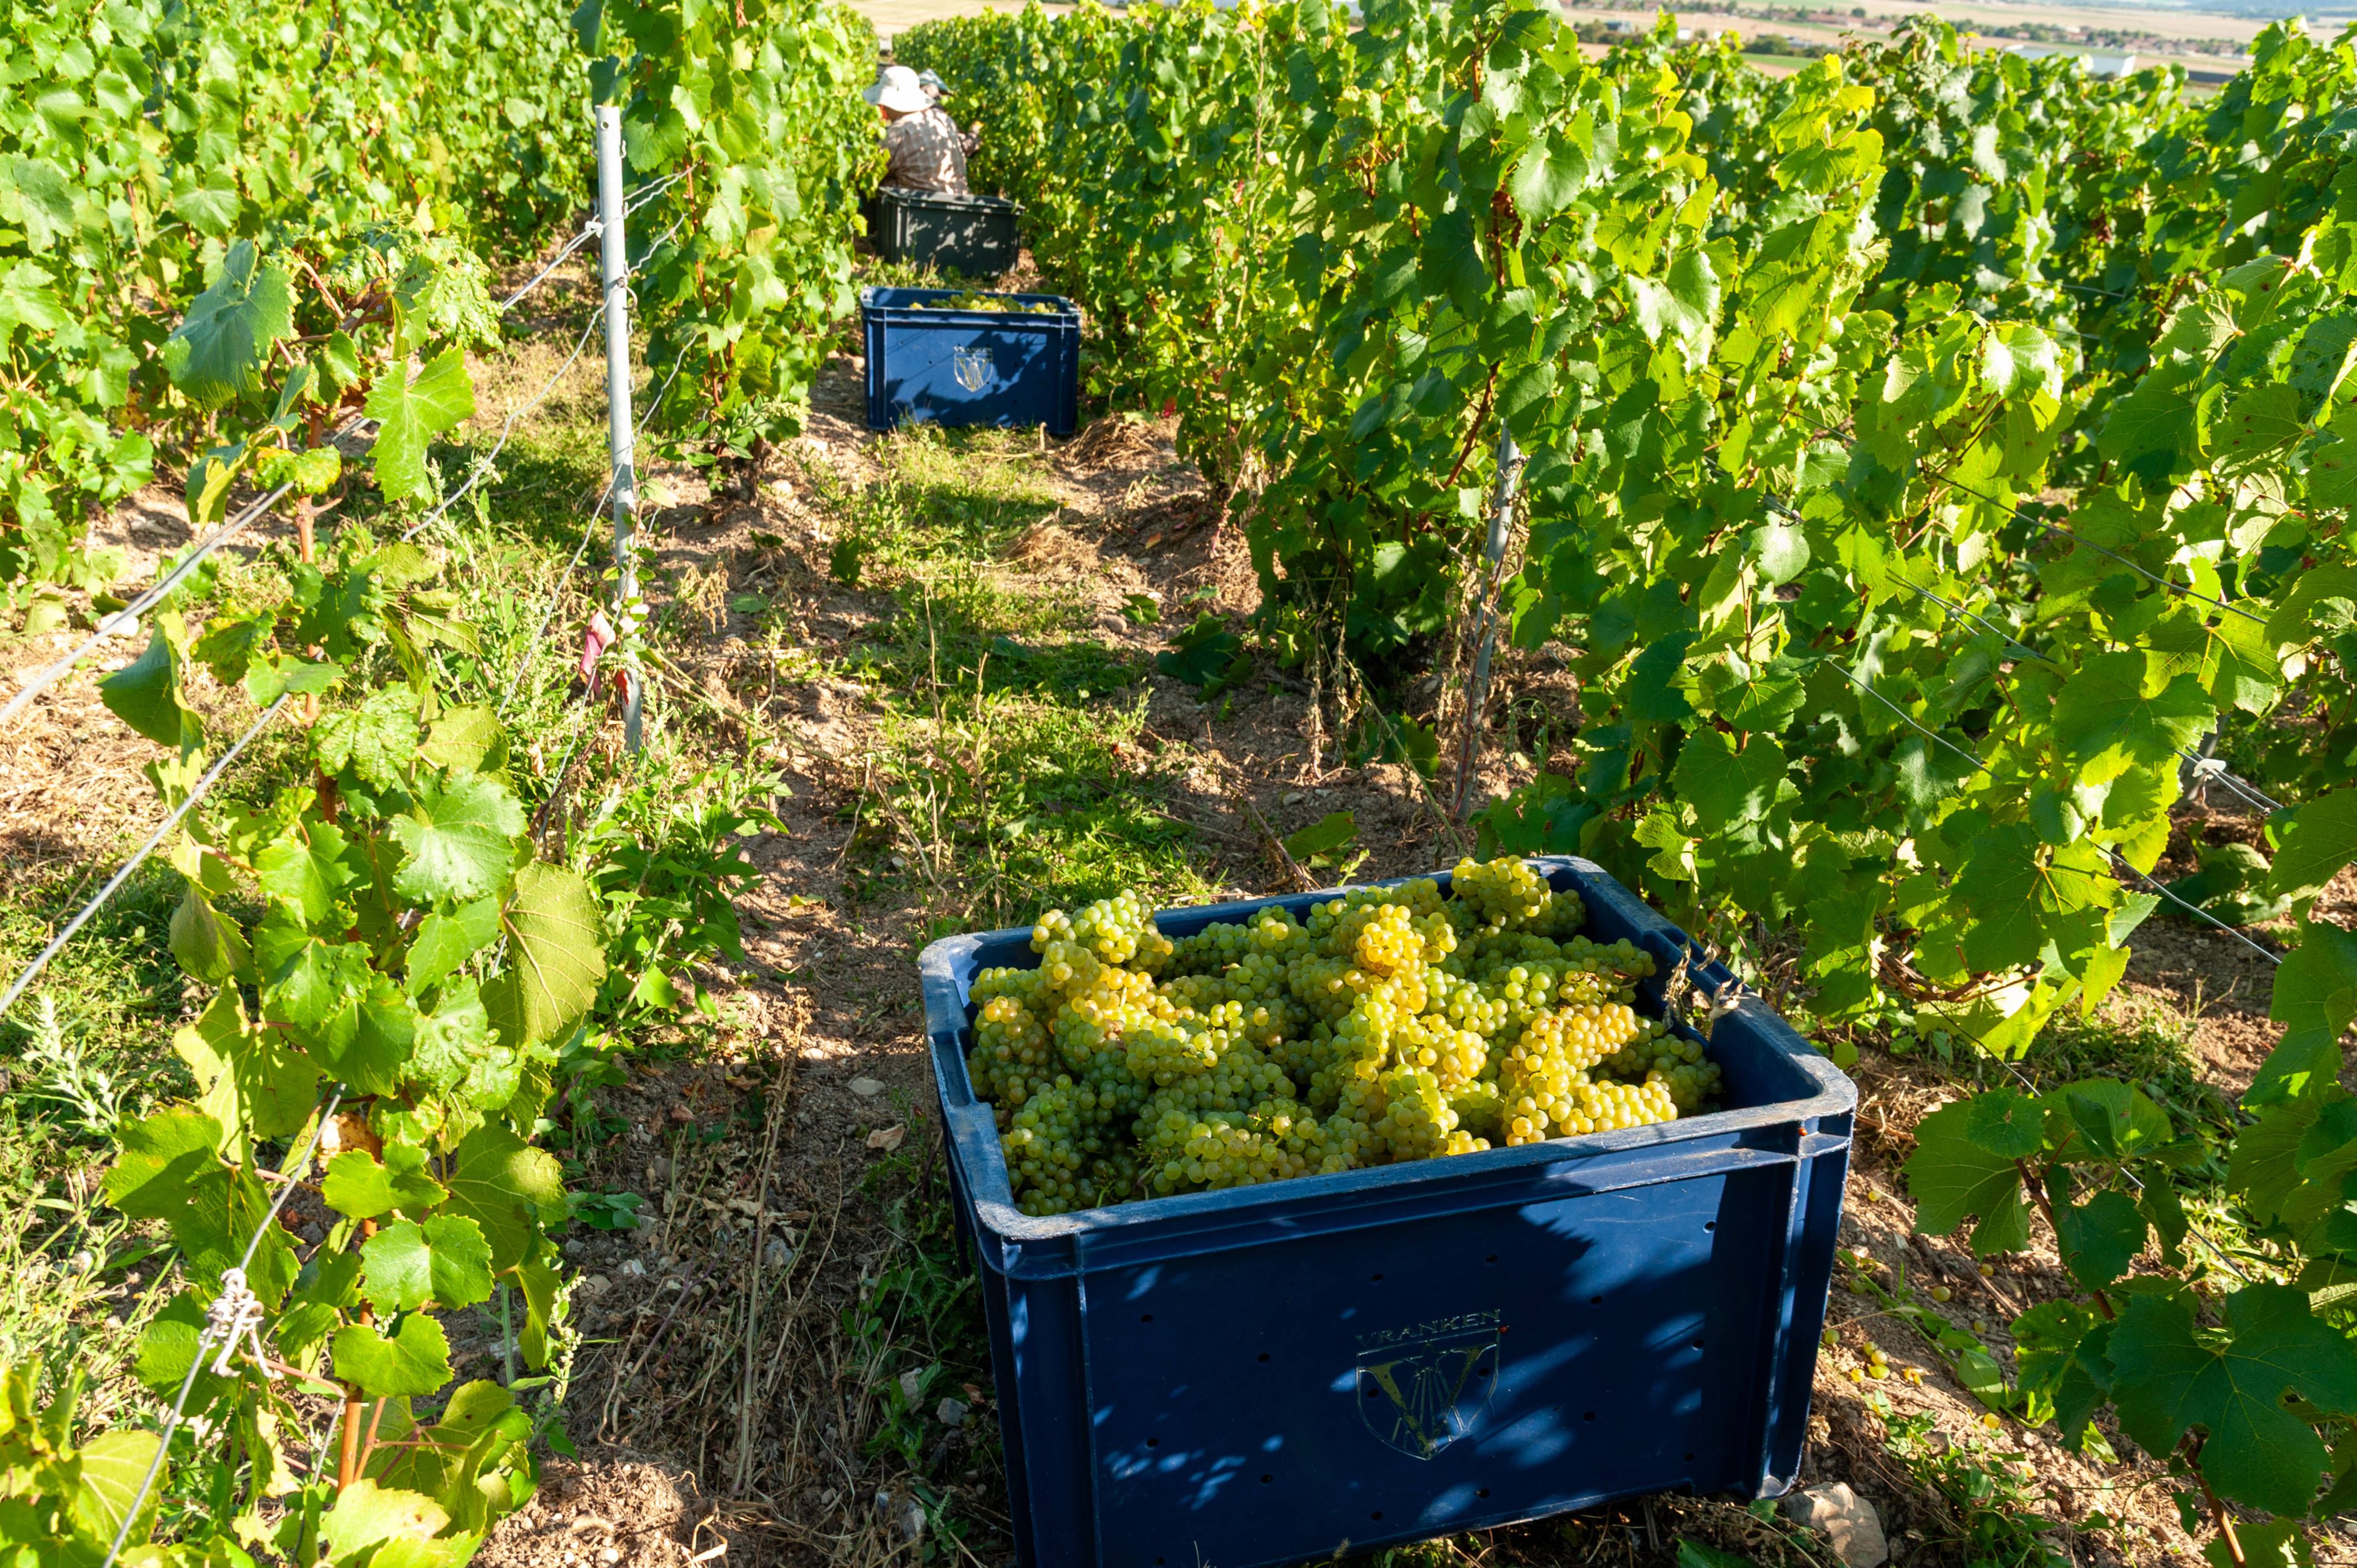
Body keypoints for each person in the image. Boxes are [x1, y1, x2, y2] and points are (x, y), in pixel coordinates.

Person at [866, 64, 968, 196]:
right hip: (959, 203)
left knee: (876, 185)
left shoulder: (898, 132)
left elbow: (871, 173)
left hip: (913, 209)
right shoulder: (943, 118)